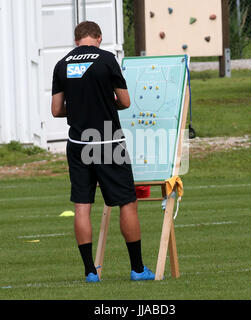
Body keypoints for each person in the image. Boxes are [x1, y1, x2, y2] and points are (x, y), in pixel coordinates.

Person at [51, 21, 155, 283]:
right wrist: (106, 104)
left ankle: (90, 272)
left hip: (78, 144)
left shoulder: (62, 64)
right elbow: (125, 101)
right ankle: (138, 268)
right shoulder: (107, 59)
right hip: (108, 142)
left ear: (76, 40)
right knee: (127, 202)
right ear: (98, 37)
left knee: (82, 206)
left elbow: (55, 110)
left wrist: (77, 109)